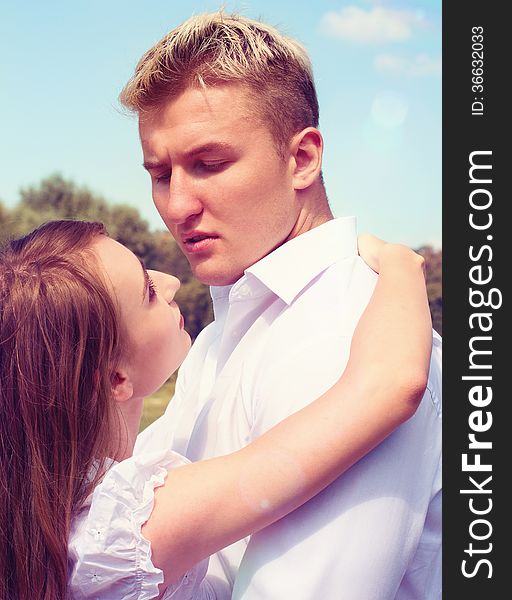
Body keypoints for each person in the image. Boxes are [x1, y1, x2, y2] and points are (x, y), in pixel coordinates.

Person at [121, 12, 443, 600]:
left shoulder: (345, 330)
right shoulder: (226, 330)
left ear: (302, 160)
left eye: (209, 164)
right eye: (160, 173)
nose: (176, 205)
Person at [0, 220, 430, 600]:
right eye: (147, 292)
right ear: (116, 379)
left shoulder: (63, 501)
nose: (169, 281)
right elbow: (389, 386)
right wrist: (400, 267)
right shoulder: (129, 528)